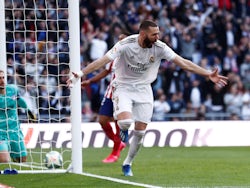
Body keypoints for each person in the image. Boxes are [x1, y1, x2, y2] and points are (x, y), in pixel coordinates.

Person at [67, 20, 228, 176]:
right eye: (154, 34)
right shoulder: (125, 44)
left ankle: (128, 163)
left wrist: (208, 74)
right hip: (123, 86)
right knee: (125, 122)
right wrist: (81, 74)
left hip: (144, 89)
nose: (157, 37)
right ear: (143, 34)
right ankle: (122, 133)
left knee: (140, 133)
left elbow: (183, 63)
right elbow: (103, 61)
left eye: (158, 34)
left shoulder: (160, 47)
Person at [81, 34, 128, 163]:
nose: (120, 43)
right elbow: (106, 72)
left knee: (118, 123)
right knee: (102, 120)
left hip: (124, 95)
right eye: (118, 40)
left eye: (122, 40)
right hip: (110, 93)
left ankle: (115, 153)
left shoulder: (132, 58)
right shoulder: (114, 56)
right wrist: (89, 81)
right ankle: (118, 143)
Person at [0, 70, 36, 163]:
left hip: (15, 131)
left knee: (22, 160)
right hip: (1, 133)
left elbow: (20, 100)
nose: (2, 80)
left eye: (3, 77)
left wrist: (28, 111)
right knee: (4, 160)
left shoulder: (12, 89)